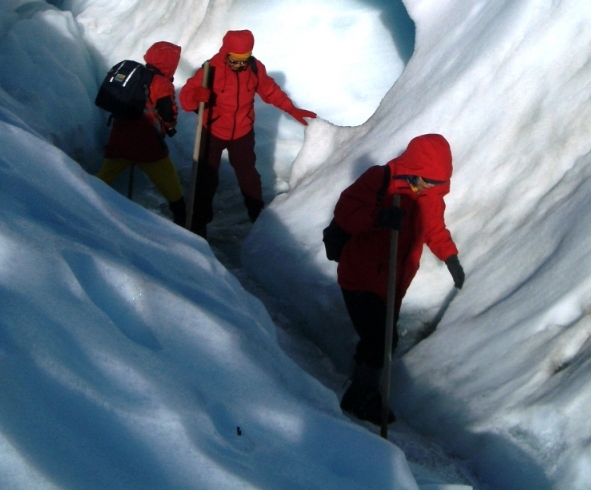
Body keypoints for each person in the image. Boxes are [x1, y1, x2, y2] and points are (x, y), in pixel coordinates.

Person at [332, 133, 465, 426]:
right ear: (415, 168)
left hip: (393, 283)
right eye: (426, 180)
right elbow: (345, 213)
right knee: (381, 341)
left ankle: (362, 373)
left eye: (435, 182)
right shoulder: (380, 180)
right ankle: (361, 397)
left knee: (380, 339)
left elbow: (434, 229)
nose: (429, 187)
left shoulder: (428, 196)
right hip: (359, 277)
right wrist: (379, 218)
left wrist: (450, 257)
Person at [179, 29, 316, 236]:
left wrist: (291, 108)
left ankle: (257, 215)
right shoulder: (210, 70)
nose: (239, 65)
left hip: (242, 131)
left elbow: (270, 90)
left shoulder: (253, 68)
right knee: (205, 178)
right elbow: (186, 99)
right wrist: (196, 96)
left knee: (249, 177)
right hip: (213, 130)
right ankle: (198, 223)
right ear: (226, 53)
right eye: (234, 61)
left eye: (243, 60)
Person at [96, 41, 187, 226]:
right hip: (148, 146)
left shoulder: (135, 77)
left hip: (119, 140)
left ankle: (79, 203)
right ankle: (183, 222)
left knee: (101, 180)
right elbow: (168, 112)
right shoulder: (161, 83)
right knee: (172, 188)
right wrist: (170, 126)